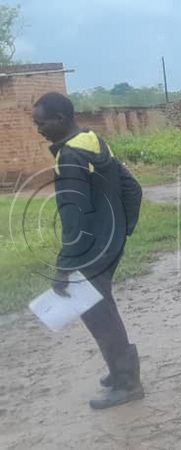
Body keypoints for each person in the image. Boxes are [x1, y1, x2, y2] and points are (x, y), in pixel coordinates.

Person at [32, 92, 145, 410]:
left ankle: (127, 383)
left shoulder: (70, 156)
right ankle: (120, 371)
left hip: (89, 251)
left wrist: (63, 266)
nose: (38, 130)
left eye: (41, 124)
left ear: (61, 119)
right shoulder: (93, 141)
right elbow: (132, 188)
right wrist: (123, 230)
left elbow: (73, 215)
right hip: (108, 244)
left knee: (98, 315)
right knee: (103, 306)